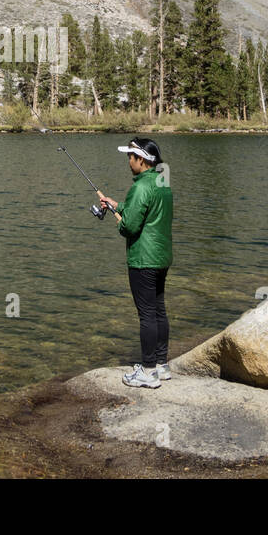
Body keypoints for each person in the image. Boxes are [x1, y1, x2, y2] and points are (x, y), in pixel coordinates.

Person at [96, 137, 172, 389]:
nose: (128, 161)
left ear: (142, 159)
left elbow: (129, 227)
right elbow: (144, 211)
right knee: (158, 309)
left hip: (143, 259)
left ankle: (148, 371)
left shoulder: (141, 187)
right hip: (161, 257)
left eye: (130, 156)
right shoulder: (162, 182)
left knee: (147, 314)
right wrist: (115, 205)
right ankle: (161, 365)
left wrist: (118, 220)